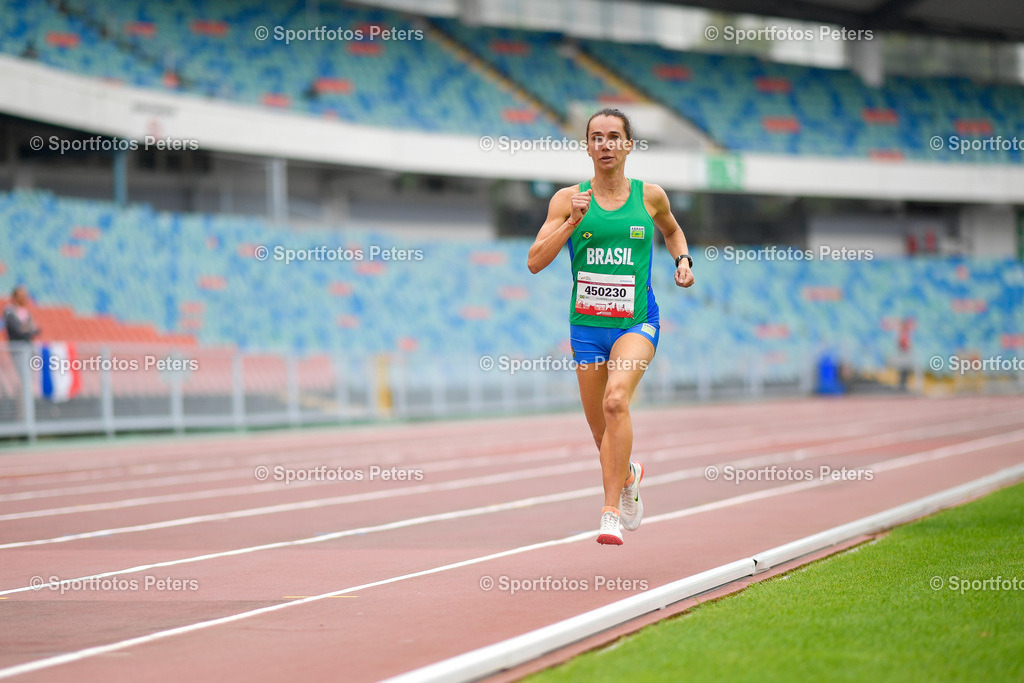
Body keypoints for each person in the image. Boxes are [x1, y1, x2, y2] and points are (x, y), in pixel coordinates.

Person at [527, 108, 694, 545]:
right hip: (587, 328)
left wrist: (683, 261)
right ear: (587, 146)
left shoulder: (650, 196)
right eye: (596, 137)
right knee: (603, 435)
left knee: (616, 402)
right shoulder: (567, 200)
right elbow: (535, 261)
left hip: (636, 322)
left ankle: (608, 514)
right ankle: (629, 475)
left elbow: (673, 231)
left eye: (613, 137)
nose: (605, 144)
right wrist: (571, 223)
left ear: (628, 145)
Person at [4, 285, 42, 407]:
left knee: (29, 380)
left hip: (28, 349)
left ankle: (27, 409)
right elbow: (18, 330)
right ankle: (23, 412)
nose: (24, 299)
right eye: (21, 296)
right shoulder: (9, 311)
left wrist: (27, 330)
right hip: (18, 350)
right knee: (24, 380)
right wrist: (27, 330)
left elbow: (35, 329)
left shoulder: (25, 312)